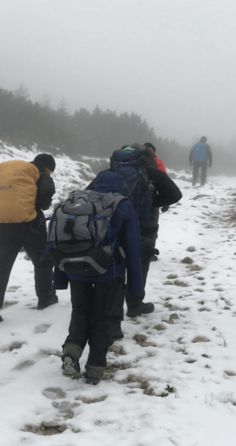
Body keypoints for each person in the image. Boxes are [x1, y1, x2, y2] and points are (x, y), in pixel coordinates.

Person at [55, 171, 143, 385]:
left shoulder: (74, 202)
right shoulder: (121, 204)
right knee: (103, 316)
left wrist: (60, 277)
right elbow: (133, 247)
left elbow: (58, 241)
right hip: (108, 271)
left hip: (75, 268)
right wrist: (136, 287)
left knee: (80, 311)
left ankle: (72, 351)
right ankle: (94, 369)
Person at [87, 144, 182, 339]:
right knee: (139, 266)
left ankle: (113, 325)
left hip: (114, 227)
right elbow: (175, 194)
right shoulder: (152, 174)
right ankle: (135, 304)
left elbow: (90, 195)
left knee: (115, 273)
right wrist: (151, 204)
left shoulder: (108, 173)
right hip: (143, 228)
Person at [0, 154, 57, 329]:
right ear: (48, 168)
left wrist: (5, 202)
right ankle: (46, 298)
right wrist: (35, 204)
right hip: (29, 225)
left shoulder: (14, 174)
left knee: (0, 267)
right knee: (43, 260)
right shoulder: (39, 174)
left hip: (2, 227)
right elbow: (47, 191)